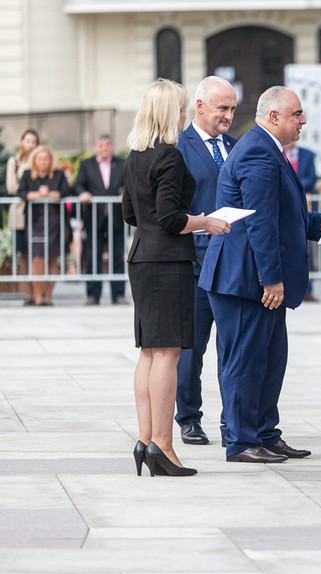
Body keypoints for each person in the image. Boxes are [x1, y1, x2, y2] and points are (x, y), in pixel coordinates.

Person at [199, 86, 321, 463]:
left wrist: (316, 223)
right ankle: (242, 440)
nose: (303, 120)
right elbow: (259, 222)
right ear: (273, 116)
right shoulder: (259, 151)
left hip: (252, 276)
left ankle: (264, 433)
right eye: (297, 114)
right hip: (247, 279)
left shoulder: (266, 147)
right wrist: (271, 278)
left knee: (269, 362)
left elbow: (278, 213)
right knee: (246, 362)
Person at [121, 78, 230, 477]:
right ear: (171, 112)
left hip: (141, 257)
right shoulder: (169, 156)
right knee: (167, 354)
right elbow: (170, 217)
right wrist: (206, 222)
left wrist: (159, 224)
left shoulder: (136, 155)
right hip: (167, 262)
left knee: (149, 353)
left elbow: (130, 214)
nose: (184, 115)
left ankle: (145, 439)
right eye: (181, 108)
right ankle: (163, 446)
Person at [173, 75, 238, 446]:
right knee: (191, 348)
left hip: (233, 264)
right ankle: (188, 418)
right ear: (199, 107)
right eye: (222, 108)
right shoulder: (179, 148)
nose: (228, 115)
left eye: (232, 109)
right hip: (195, 263)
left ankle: (233, 421)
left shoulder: (236, 146)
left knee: (232, 348)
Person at [74, 134, 127, 305]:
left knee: (117, 256)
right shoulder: (86, 164)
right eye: (101, 145)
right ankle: (92, 295)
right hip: (93, 218)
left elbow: (129, 183)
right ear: (95, 147)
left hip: (116, 217)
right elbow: (78, 184)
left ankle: (118, 295)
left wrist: (124, 192)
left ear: (112, 146)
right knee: (93, 256)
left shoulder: (122, 163)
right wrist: (82, 193)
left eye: (107, 144)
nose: (104, 148)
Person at [17, 145, 71, 306]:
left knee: (52, 259)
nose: (42, 162)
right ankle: (38, 297)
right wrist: (36, 194)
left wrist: (51, 194)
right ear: (34, 160)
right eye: (39, 159)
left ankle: (48, 296)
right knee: (37, 259)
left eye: (45, 159)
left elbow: (66, 191)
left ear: (50, 160)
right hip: (35, 222)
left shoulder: (58, 174)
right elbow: (21, 192)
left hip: (55, 222)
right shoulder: (28, 175)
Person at [6, 129, 40, 305]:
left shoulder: (40, 159)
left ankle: (39, 292)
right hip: (20, 213)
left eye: (34, 142)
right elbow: (12, 187)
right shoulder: (15, 161)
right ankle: (29, 294)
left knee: (38, 254)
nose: (31, 145)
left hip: (38, 214)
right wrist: (27, 168)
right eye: (28, 141)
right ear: (22, 142)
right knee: (25, 255)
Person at [284, 141, 319, 301]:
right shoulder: (278, 152)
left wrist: (292, 185)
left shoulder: (307, 154)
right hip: (287, 205)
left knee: (308, 250)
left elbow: (312, 177)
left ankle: (308, 289)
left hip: (305, 203)